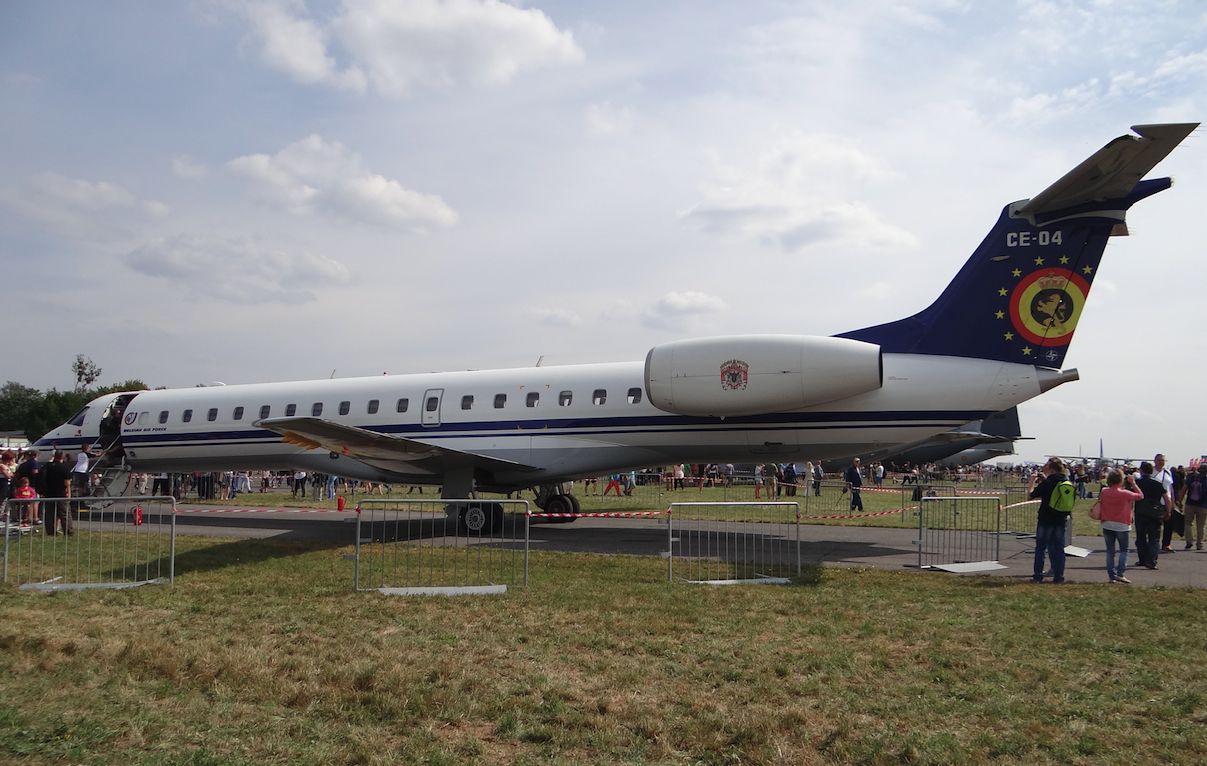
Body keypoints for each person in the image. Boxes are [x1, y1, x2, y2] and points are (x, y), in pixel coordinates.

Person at [1027, 457, 1071, 583]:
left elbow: (1030, 496)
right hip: (1061, 519)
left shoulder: (1048, 483)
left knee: (1041, 548)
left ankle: (1037, 576)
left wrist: (1032, 481)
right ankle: (1059, 576)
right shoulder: (1066, 482)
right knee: (1059, 548)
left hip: (1046, 519)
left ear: (1051, 470)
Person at [1097, 468, 1142, 583]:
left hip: (1107, 523)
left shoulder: (1105, 491)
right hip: (1122, 525)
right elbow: (1140, 496)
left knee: (1110, 551)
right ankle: (1120, 573)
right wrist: (1133, 483)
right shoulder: (1125, 493)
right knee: (1124, 550)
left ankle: (1111, 575)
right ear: (1121, 480)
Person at [1134, 461, 1172, 570]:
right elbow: (1167, 499)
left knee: (1141, 537)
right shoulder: (1158, 483)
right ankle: (1151, 561)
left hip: (1140, 511)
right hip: (1155, 512)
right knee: (1154, 538)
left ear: (1141, 471)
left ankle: (1142, 559)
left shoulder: (1137, 483)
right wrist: (1167, 511)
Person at [43, 450, 74, 536]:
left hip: (49, 493)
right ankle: (68, 532)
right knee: (65, 514)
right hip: (61, 493)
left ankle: (50, 531)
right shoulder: (64, 467)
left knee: (49, 514)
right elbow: (67, 482)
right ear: (63, 457)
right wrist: (69, 493)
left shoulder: (48, 467)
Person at [1180, 464, 1207, 551]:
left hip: (1190, 503)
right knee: (1201, 525)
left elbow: (1183, 490)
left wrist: (1180, 501)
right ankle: (1200, 543)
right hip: (1203, 505)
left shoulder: (1191, 478)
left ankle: (1189, 541)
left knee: (1188, 523)